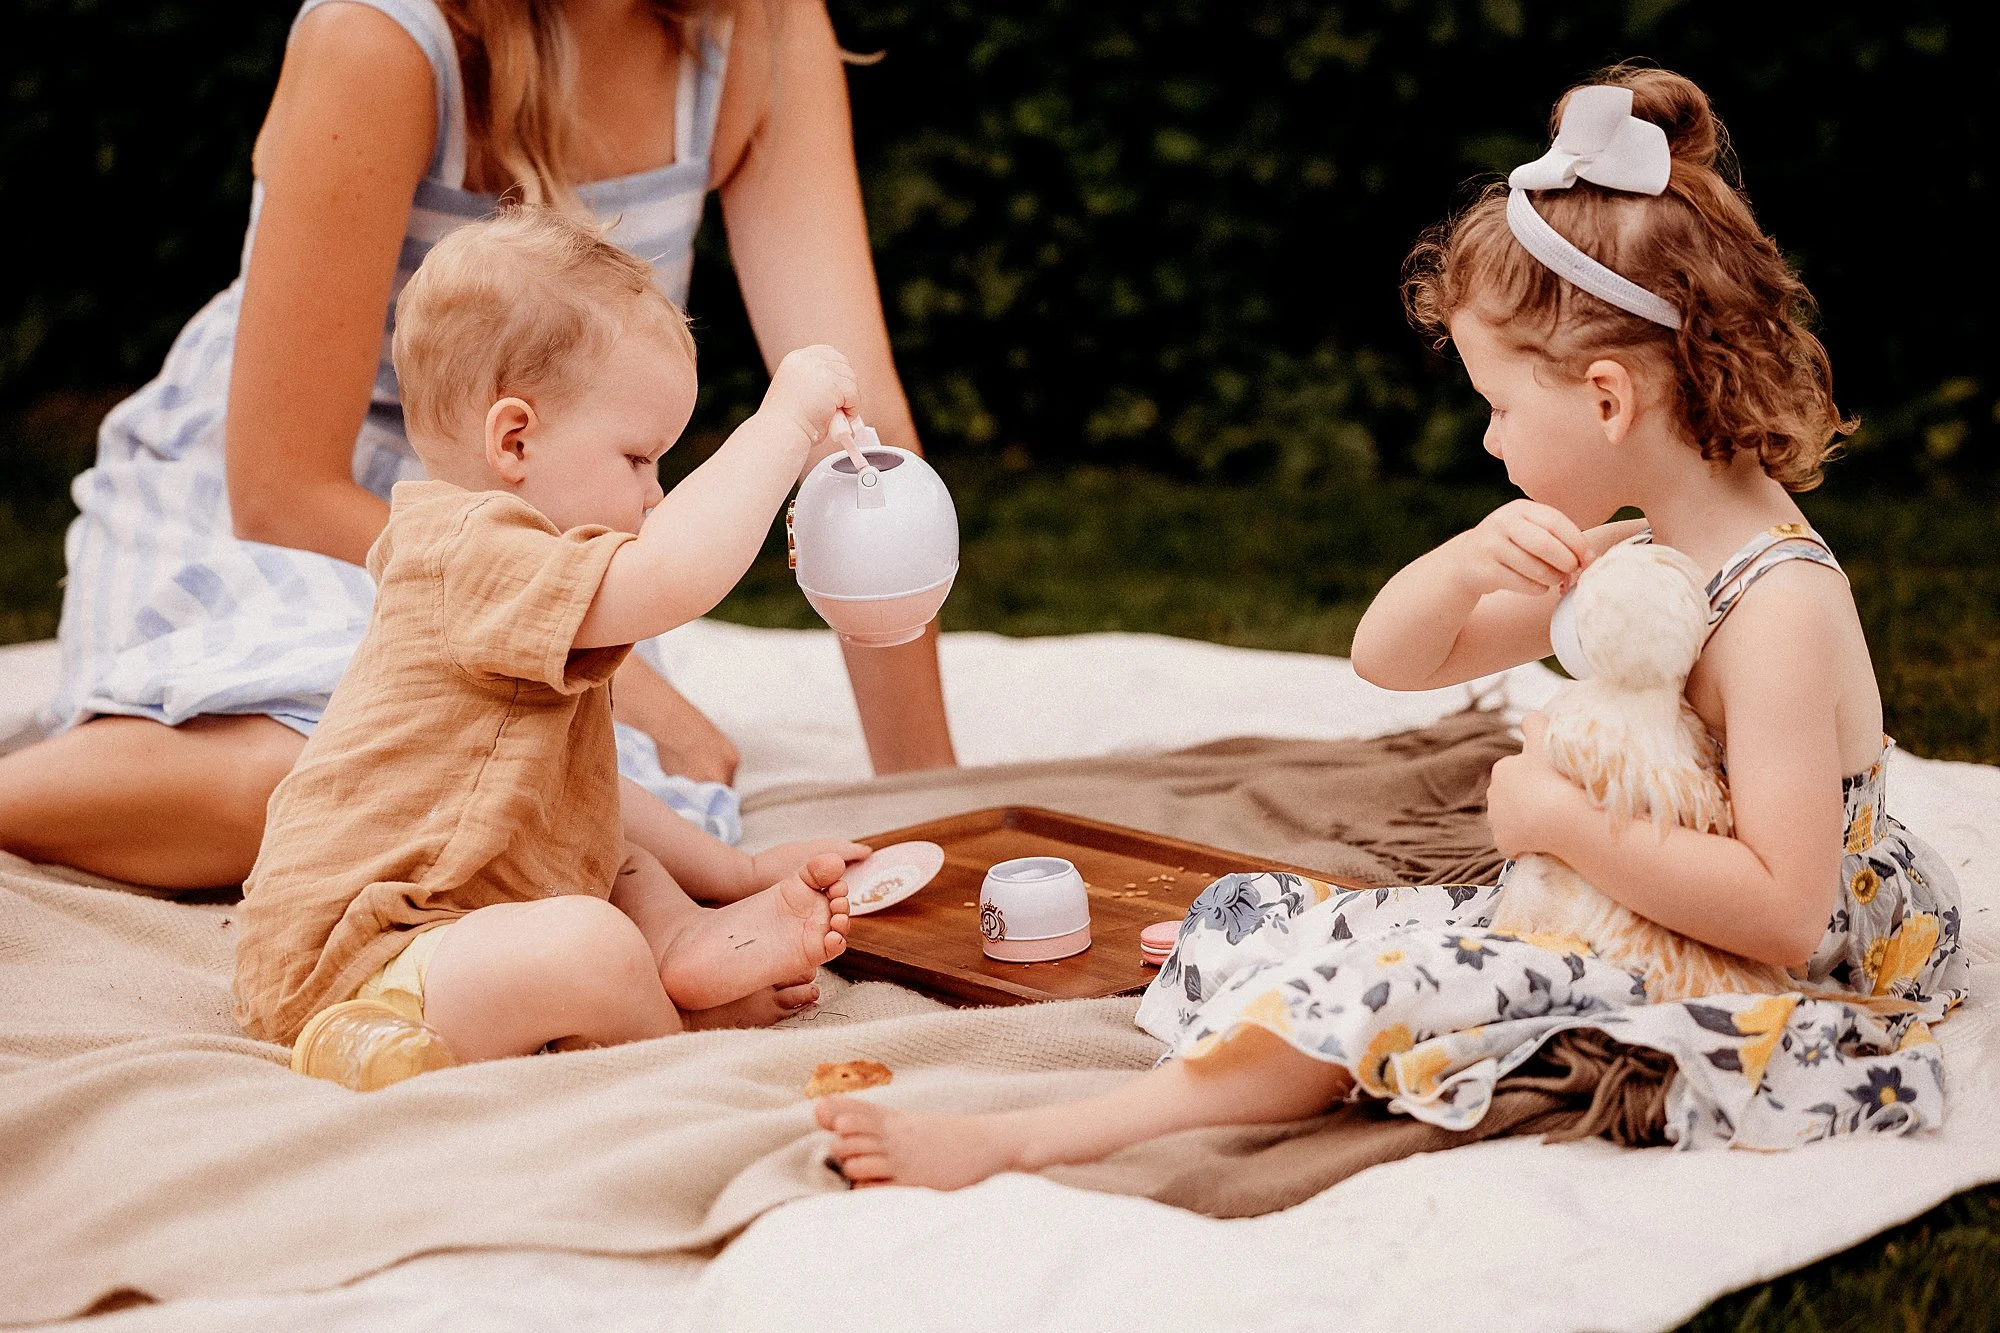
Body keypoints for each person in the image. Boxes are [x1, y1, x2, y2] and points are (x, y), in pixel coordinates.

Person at [817, 67, 1966, 1188]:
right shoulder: (1643, 559)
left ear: (1607, 399)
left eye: (1498, 408)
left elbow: (1781, 909)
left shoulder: (1774, 608)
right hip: (1636, 889)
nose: (1488, 443)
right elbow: (1395, 660)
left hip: (1776, 953)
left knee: (1401, 989)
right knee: (1316, 925)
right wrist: (1463, 566)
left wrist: (1562, 824)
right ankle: (1264, 1022)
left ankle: (1044, 1137)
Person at [0, 0, 954, 892]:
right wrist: (621, 673)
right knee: (352, 782)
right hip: (288, 523)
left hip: (531, 534)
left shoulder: (758, 30)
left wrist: (934, 808)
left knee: (563, 814)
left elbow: (857, 432)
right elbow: (281, 490)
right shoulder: (383, 40)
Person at [239, 207, 867, 1085]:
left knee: (596, 846)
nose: (655, 495)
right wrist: (781, 426)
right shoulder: (469, 551)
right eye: (639, 459)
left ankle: (679, 947)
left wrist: (731, 867)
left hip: (469, 916)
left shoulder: (525, 579)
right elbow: (670, 575)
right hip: (362, 959)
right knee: (589, 941)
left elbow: (598, 789)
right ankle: (669, 1039)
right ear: (515, 440)